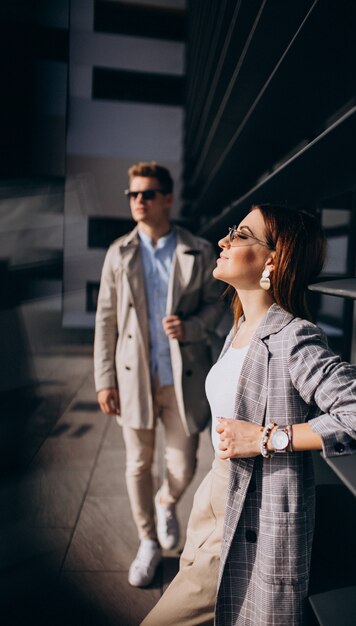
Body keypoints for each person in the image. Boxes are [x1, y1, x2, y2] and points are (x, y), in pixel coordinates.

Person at [141, 203, 356, 625]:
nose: (223, 241)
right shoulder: (240, 325)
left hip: (248, 513)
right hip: (213, 494)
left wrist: (267, 438)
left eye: (240, 235)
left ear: (273, 259)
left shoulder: (294, 337)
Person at [94, 161, 224, 587]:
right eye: (133, 194)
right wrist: (104, 378)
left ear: (168, 198)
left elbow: (216, 305)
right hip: (133, 378)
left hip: (182, 378)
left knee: (183, 465)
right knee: (137, 465)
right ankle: (147, 541)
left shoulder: (199, 250)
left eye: (147, 193)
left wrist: (191, 328)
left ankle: (167, 501)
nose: (138, 201)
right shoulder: (119, 252)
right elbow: (106, 320)